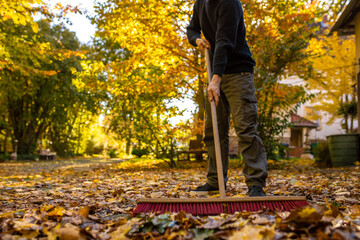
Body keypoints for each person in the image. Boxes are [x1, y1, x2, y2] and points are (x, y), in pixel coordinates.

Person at [187, 0, 268, 197]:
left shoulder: (229, 2)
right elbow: (192, 28)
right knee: (213, 131)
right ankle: (215, 181)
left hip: (238, 73)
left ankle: (256, 184)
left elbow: (224, 41)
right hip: (215, 73)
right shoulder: (201, 3)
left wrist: (216, 79)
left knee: (245, 128)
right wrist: (197, 39)